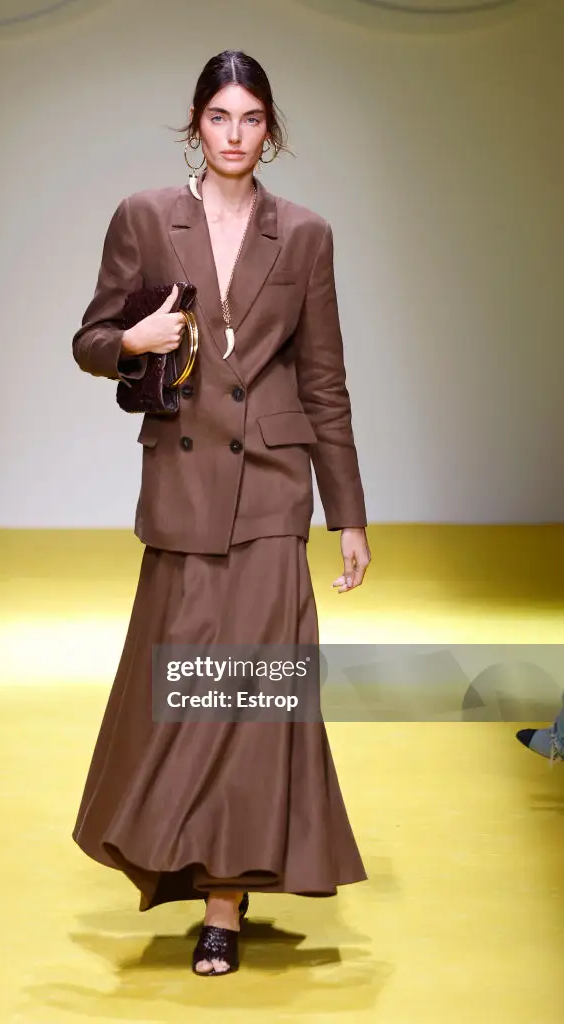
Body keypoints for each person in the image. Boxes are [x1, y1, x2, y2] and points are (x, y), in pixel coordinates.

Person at [71, 50, 372, 977]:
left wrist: (348, 514)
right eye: (218, 117)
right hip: (185, 486)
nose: (234, 134)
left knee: (256, 699)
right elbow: (89, 339)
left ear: (269, 130)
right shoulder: (144, 217)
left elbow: (324, 379)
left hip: (274, 487)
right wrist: (132, 340)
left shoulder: (307, 235)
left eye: (251, 118)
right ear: (195, 123)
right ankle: (184, 851)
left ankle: (224, 904)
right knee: (183, 694)